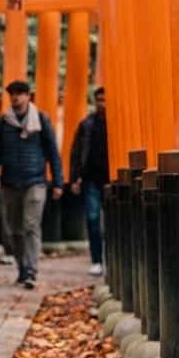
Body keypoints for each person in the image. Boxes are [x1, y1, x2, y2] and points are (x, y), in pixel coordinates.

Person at [0, 80, 63, 289]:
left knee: (31, 225)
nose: (16, 98)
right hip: (10, 182)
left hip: (36, 181)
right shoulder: (3, 123)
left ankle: (31, 270)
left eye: (20, 93)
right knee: (14, 230)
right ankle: (22, 266)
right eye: (12, 94)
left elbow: (52, 153)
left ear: (29, 96)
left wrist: (58, 182)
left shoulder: (41, 120)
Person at [69, 87, 109, 276]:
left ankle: (110, 257)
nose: (102, 104)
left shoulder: (119, 122)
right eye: (99, 100)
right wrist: (75, 178)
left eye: (105, 100)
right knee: (93, 219)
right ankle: (96, 260)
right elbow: (76, 153)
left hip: (112, 179)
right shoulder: (87, 124)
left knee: (112, 221)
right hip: (91, 179)